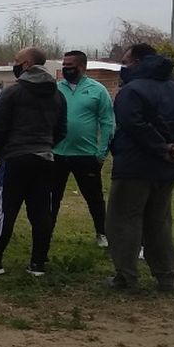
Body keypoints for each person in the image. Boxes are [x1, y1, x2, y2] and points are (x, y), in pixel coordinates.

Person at [106, 43, 174, 292]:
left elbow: (132, 124)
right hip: (168, 169)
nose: (123, 67)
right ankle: (166, 276)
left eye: (126, 62)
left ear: (137, 62)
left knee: (125, 220)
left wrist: (161, 147)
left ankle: (126, 277)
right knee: (159, 222)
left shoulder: (131, 91)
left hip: (134, 167)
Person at [0, 47, 67, 277]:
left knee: (5, 211)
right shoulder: (57, 94)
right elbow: (62, 130)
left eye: (16, 61)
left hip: (15, 158)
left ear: (26, 64)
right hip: (45, 158)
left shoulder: (13, 92)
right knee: (41, 212)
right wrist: (46, 145)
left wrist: (0, 151)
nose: (13, 64)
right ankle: (37, 264)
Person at [51, 49, 116, 247]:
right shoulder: (55, 89)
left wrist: (102, 151)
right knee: (52, 197)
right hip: (57, 153)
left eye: (70, 66)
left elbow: (107, 122)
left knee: (94, 197)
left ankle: (102, 233)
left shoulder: (97, 90)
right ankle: (46, 231)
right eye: (64, 66)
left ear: (82, 67)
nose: (66, 70)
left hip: (86, 154)